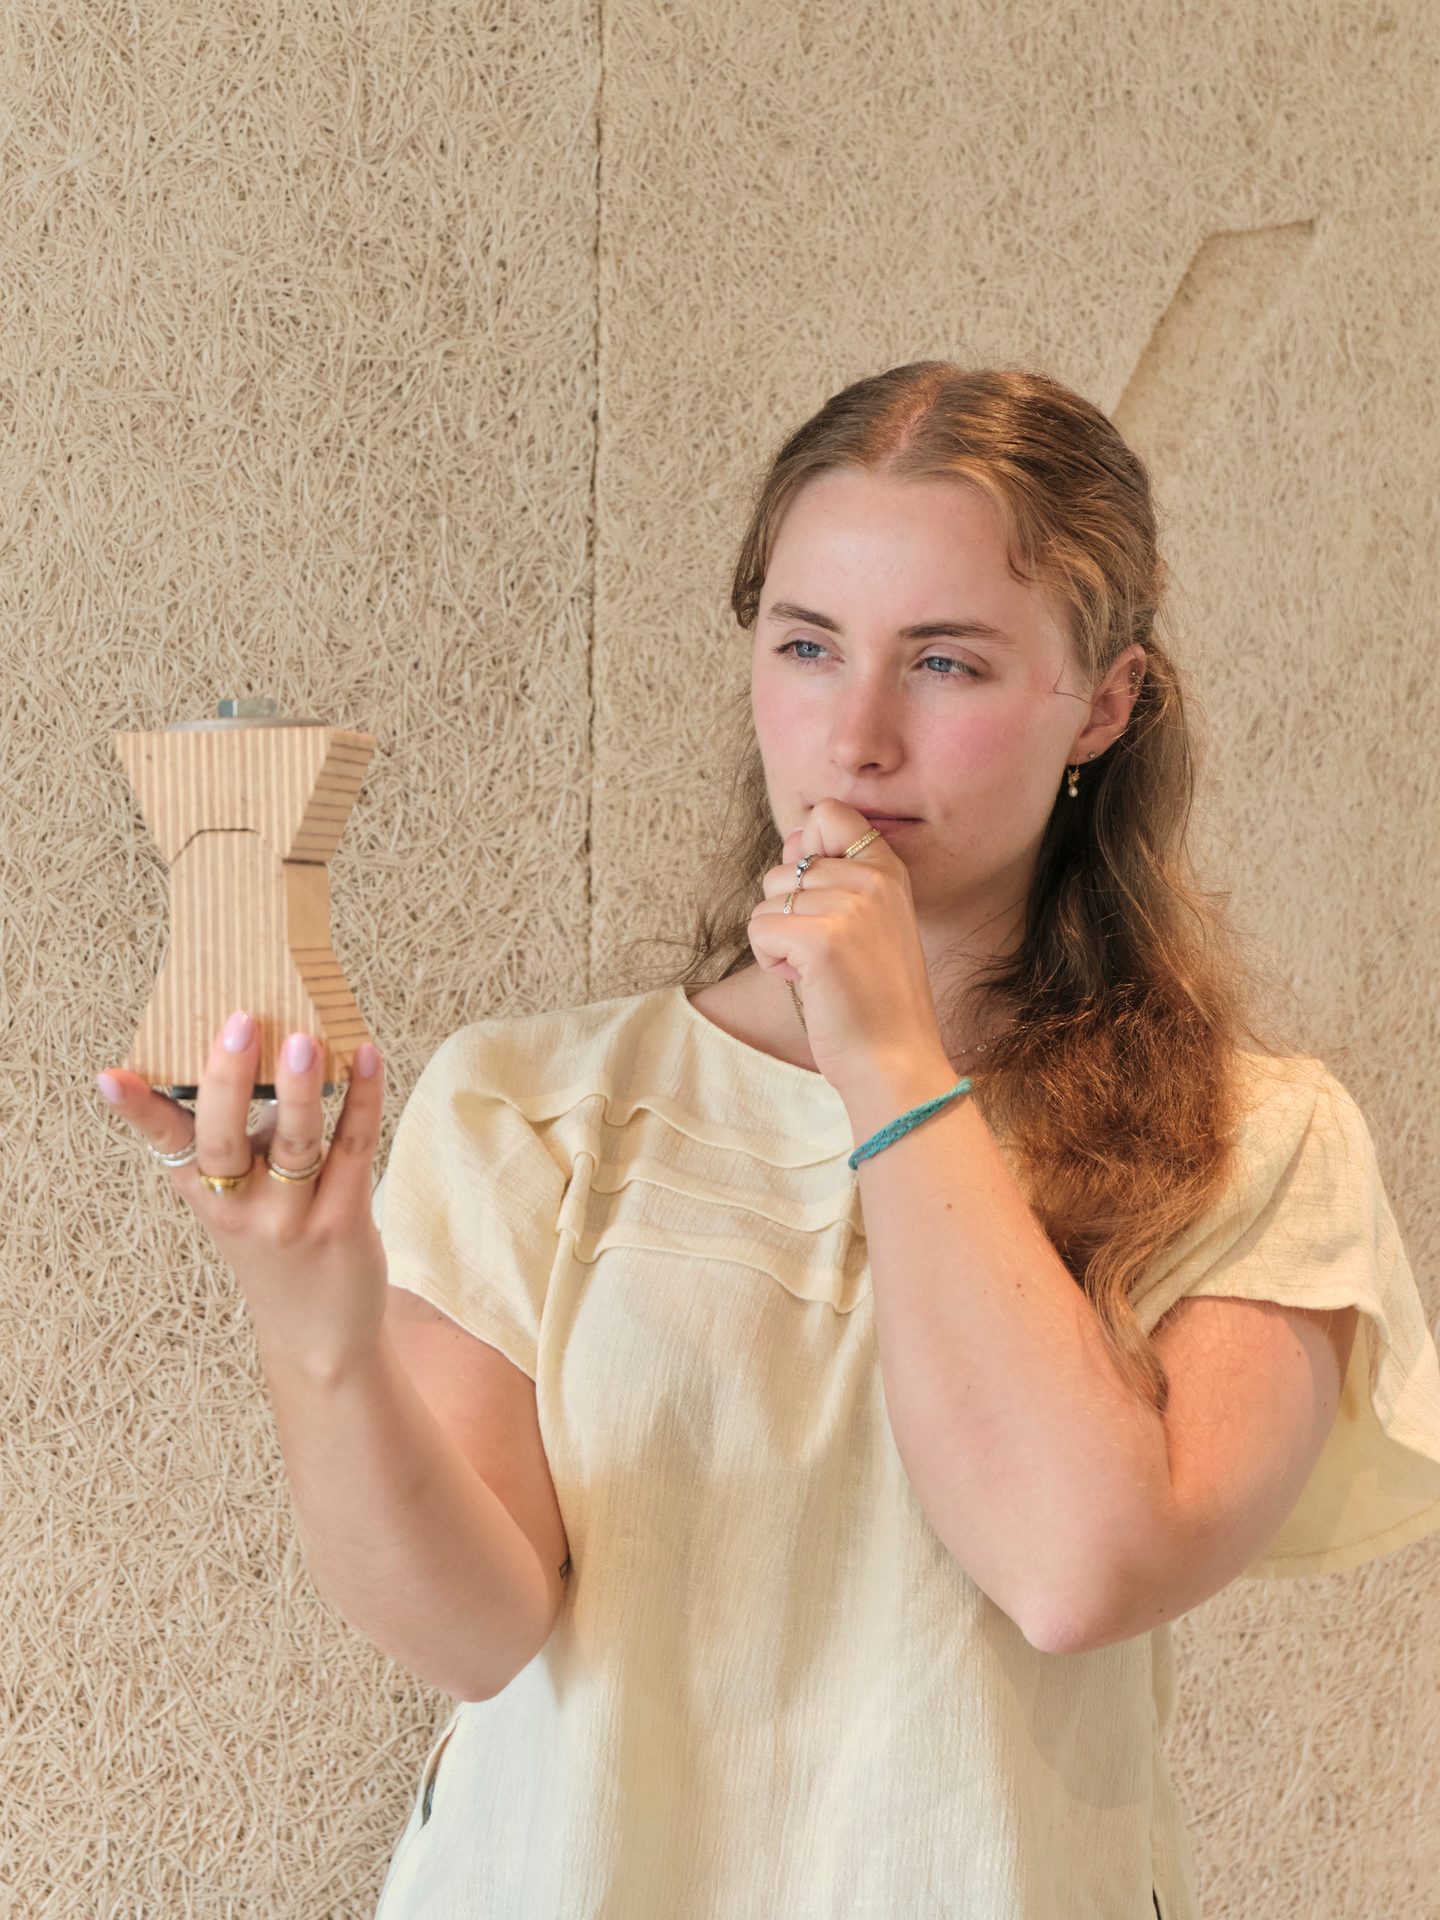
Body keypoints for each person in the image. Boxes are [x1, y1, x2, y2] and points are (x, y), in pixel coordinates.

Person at [95, 362, 1440, 1920]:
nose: (856, 737)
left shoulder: (1255, 1141)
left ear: (1106, 700)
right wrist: (315, 1328)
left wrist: (888, 1061)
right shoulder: (530, 1105)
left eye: (946, 662)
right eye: (808, 646)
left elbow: (1077, 1571)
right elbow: (474, 1633)